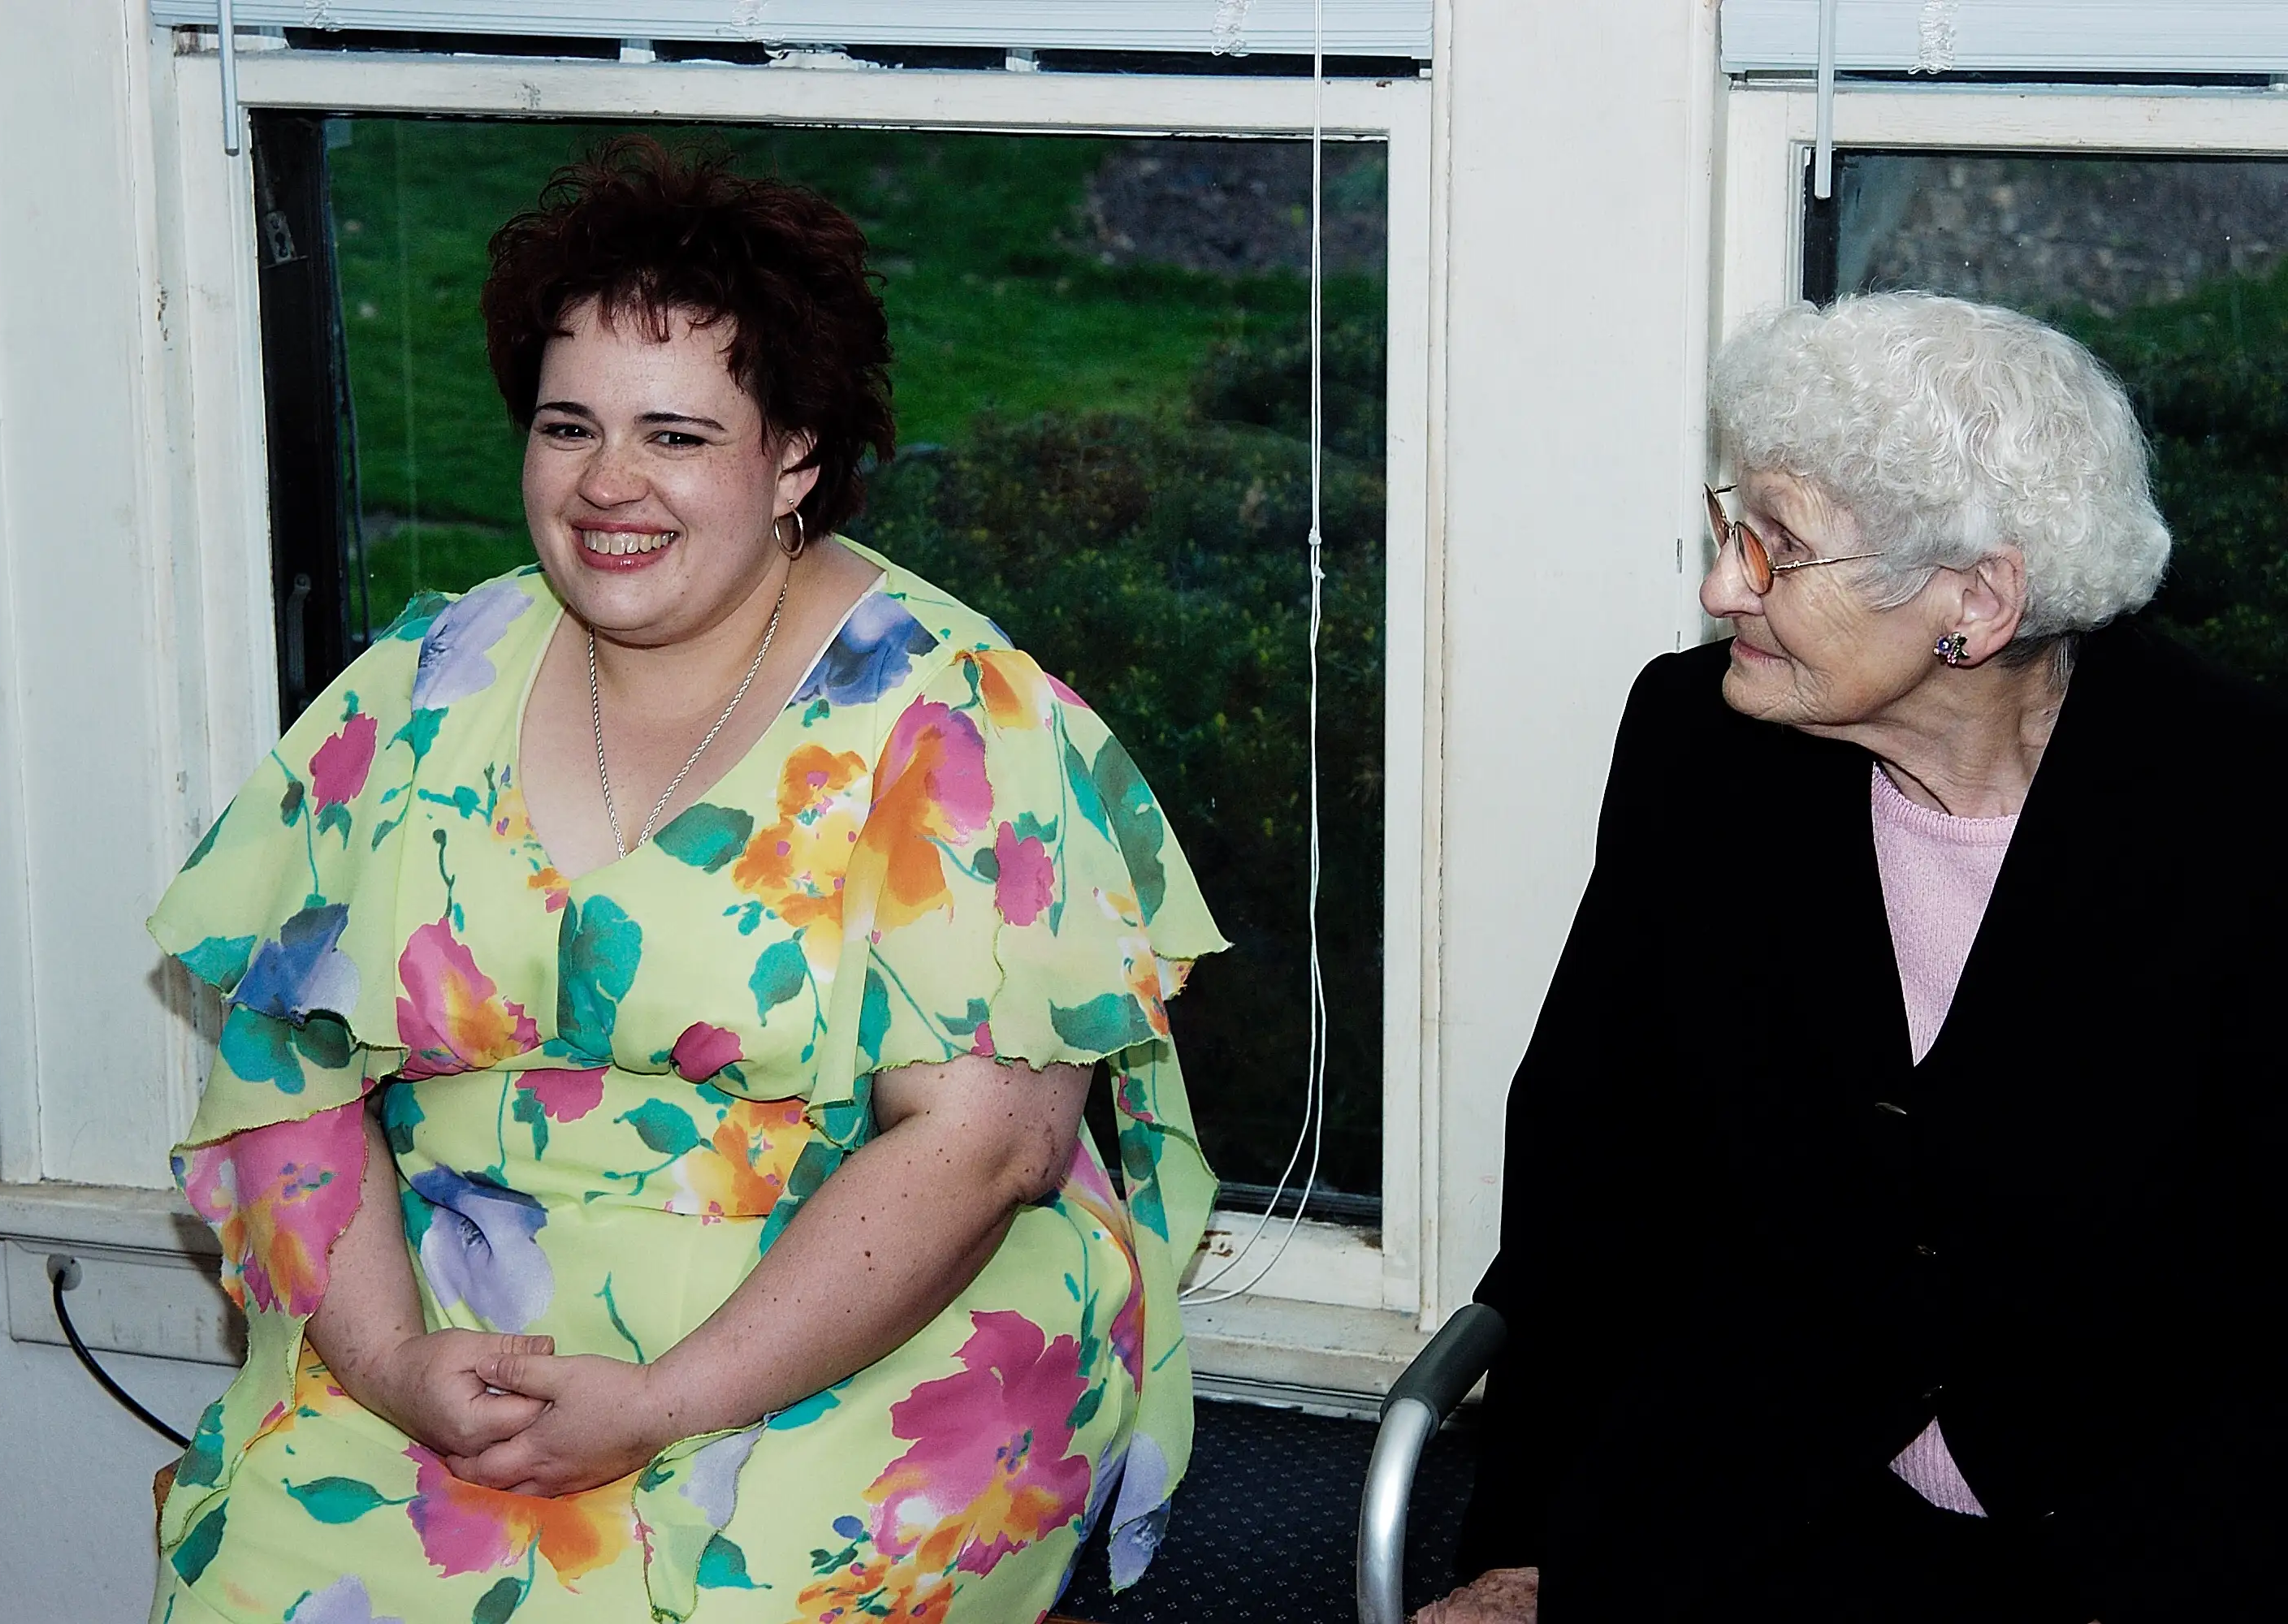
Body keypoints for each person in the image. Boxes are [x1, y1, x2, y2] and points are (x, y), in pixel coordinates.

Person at [146, 139, 1226, 1624]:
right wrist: (396, 1366)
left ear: (793, 456)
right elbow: (292, 1074)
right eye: (567, 425)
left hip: (873, 1327)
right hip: (459, 1331)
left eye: (676, 436)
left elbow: (983, 1154)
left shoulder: (953, 714)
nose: (607, 486)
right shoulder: (424, 680)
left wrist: (662, 1402)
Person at [1417, 292, 2287, 1624]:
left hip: (2143, 1540)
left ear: (1978, 602)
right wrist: (1530, 1543)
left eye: (1778, 549)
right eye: (1732, 529)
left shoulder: (2240, 805)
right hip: (1750, 1502)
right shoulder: (1696, 747)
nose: (1721, 589)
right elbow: (1592, 1163)